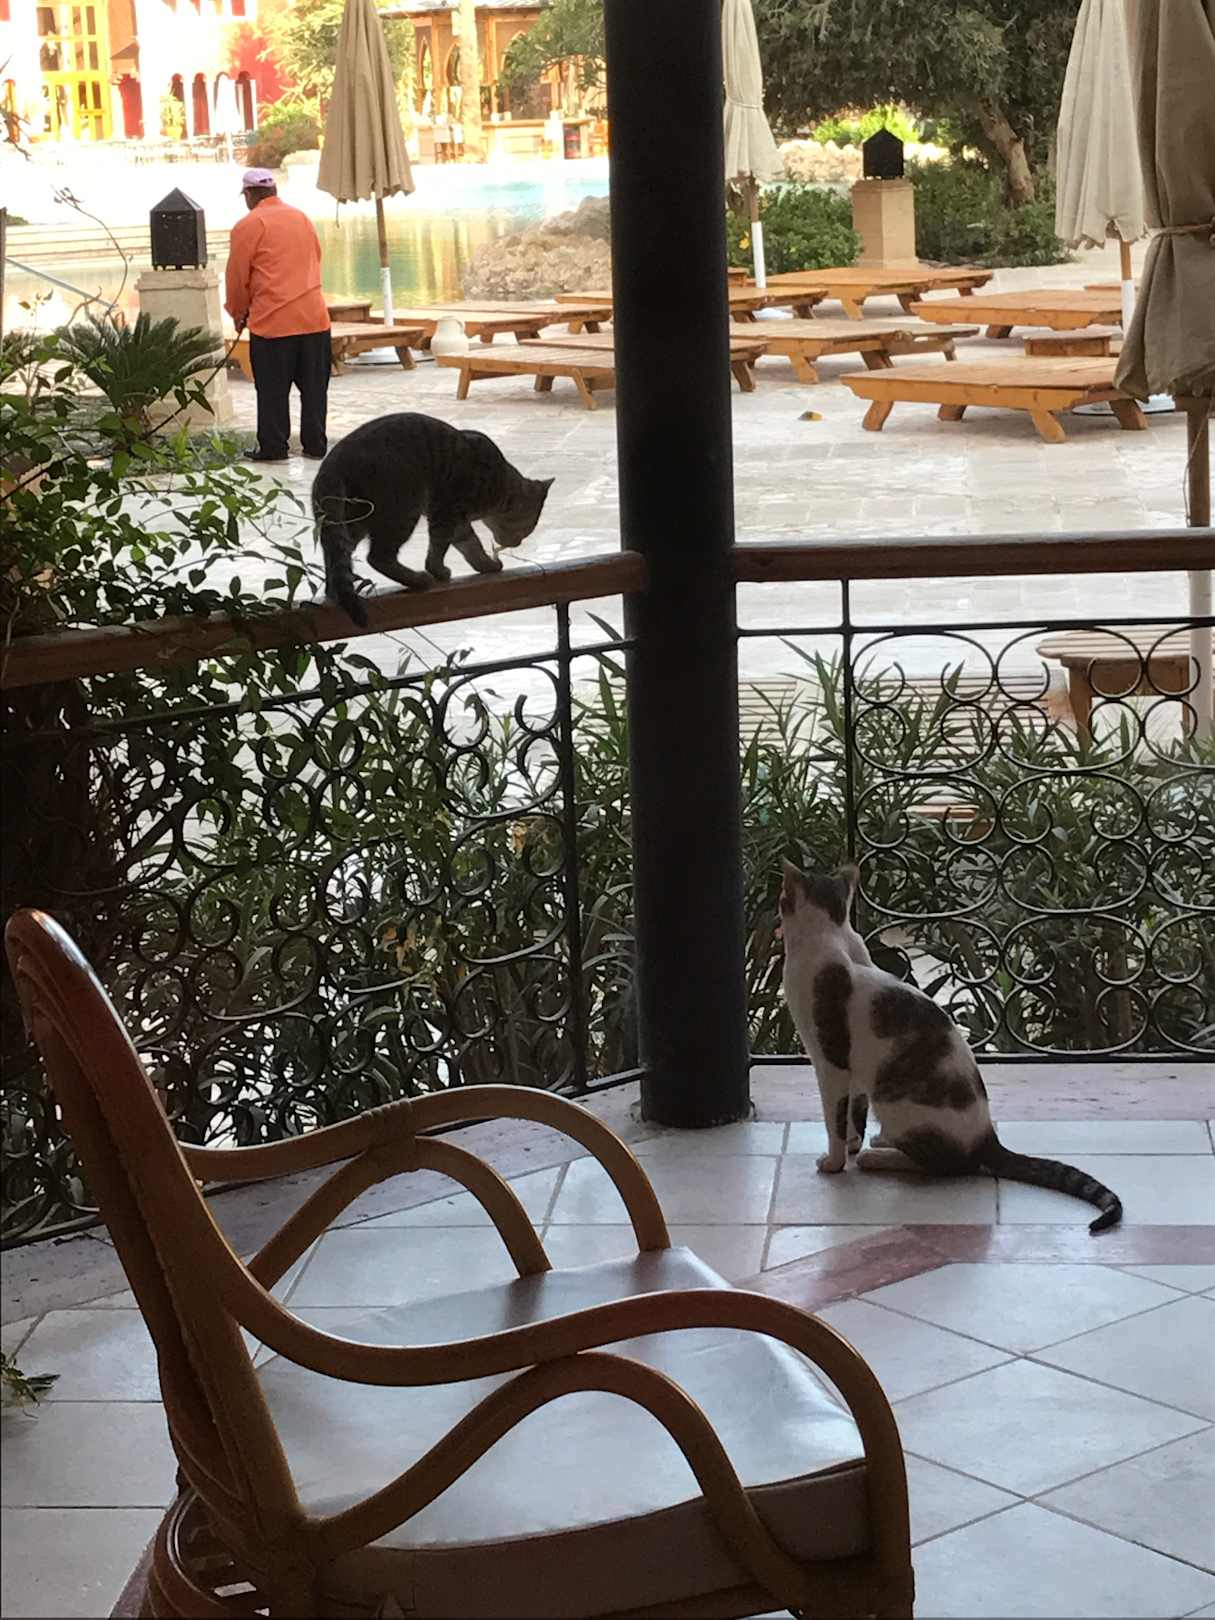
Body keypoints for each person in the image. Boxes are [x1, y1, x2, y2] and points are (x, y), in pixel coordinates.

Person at [224, 168, 331, 464]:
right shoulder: (301, 218)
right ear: (273, 191)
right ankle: (316, 445)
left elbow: (237, 278)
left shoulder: (248, 224)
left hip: (273, 322)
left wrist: (238, 313)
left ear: (249, 194)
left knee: (272, 391)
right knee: (314, 389)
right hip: (314, 318)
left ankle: (274, 447)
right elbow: (315, 258)